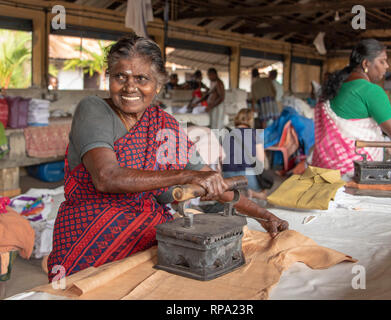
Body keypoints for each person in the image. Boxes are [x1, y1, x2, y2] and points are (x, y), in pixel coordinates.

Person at [47, 35, 288, 281]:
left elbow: (209, 180)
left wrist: (264, 215)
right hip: (91, 243)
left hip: (148, 242)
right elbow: (106, 177)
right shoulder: (93, 110)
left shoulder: (165, 126)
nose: (130, 87)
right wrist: (186, 175)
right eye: (121, 77)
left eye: (142, 78)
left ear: (158, 85)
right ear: (110, 78)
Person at [312, 38, 391, 175]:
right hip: (353, 171)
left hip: (325, 167)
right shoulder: (370, 91)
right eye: (382, 61)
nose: (387, 66)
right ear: (366, 64)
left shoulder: (336, 87)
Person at [222, 109, 268, 200]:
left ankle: (237, 195)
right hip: (248, 174)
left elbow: (221, 158)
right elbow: (261, 158)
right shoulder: (254, 134)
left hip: (228, 174)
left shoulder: (227, 135)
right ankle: (256, 194)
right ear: (251, 120)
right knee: (264, 190)